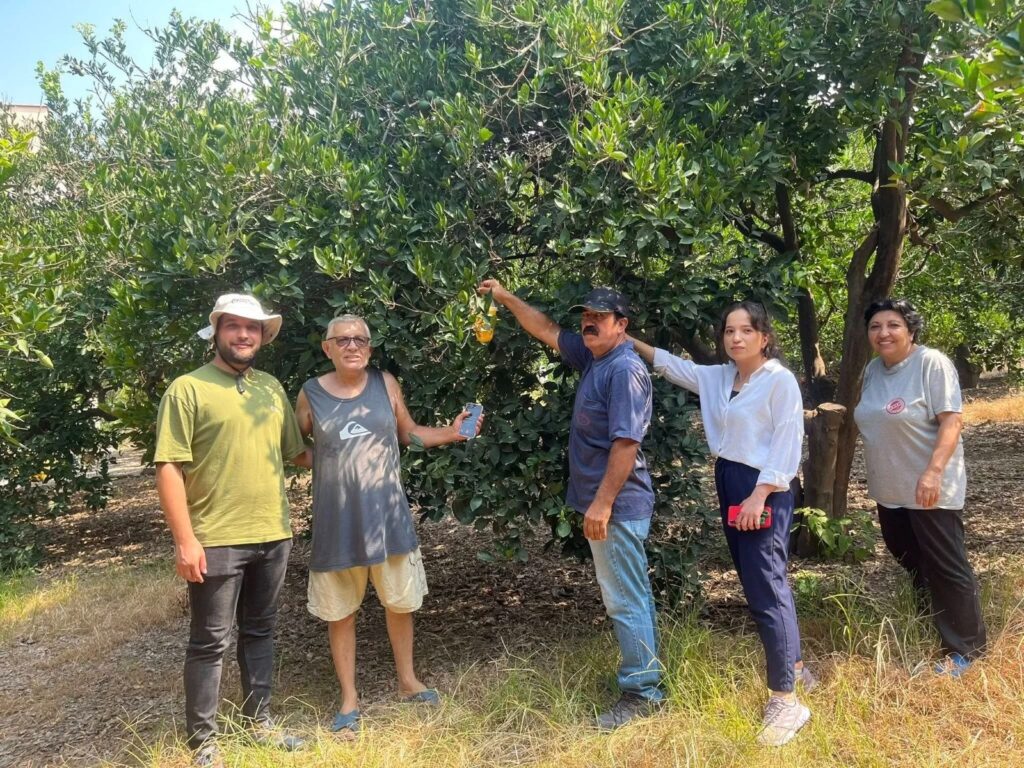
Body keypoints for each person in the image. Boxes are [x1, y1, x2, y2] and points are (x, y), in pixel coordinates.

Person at [476, 279, 663, 730]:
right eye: (587, 316)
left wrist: (601, 505)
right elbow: (545, 329)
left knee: (625, 600)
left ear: (622, 325)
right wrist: (504, 297)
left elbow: (626, 443)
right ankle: (645, 677)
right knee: (629, 595)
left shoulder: (623, 369)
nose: (589, 323)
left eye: (600, 317)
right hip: (609, 505)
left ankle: (643, 692)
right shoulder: (594, 356)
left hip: (616, 506)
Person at [630, 300, 814, 747]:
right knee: (759, 582)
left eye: (746, 330)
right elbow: (669, 363)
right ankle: (794, 666)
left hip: (763, 486)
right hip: (729, 479)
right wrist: (624, 339)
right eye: (729, 331)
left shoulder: (779, 380)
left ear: (764, 337)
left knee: (767, 585)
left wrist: (759, 494)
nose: (735, 338)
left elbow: (788, 444)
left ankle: (786, 700)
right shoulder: (717, 377)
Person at [294, 314, 481, 734]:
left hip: (389, 518)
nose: (352, 345)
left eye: (360, 339)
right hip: (336, 523)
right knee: (340, 613)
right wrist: (329, 463)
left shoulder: (385, 383)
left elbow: (408, 433)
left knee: (400, 603)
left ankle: (407, 682)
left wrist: (451, 434)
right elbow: (295, 448)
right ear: (327, 348)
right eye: (342, 339)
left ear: (370, 347)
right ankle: (348, 698)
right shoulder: (310, 394)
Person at [154, 293, 310, 768]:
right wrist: (185, 540)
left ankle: (258, 722)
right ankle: (203, 743)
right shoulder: (188, 389)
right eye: (235, 326)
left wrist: (364, 441)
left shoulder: (270, 388)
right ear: (218, 330)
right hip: (216, 538)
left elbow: (297, 453)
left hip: (273, 533)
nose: (244, 335)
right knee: (210, 641)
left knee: (261, 631)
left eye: (254, 328)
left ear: (262, 337)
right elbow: (168, 467)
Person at [853, 298, 986, 676]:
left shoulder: (931, 363)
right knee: (911, 559)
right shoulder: (874, 370)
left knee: (946, 565)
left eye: (893, 325)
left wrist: (933, 472)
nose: (884, 333)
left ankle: (967, 651)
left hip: (929, 487)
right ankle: (935, 627)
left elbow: (951, 422)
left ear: (910, 330)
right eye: (876, 326)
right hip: (891, 489)